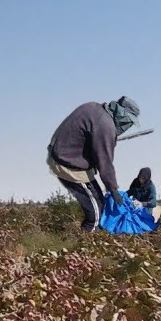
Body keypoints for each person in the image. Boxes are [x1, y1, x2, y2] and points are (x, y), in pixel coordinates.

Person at [46, 96, 142, 232]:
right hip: (69, 165)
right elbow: (105, 162)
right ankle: (86, 246)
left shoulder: (93, 107)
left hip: (60, 153)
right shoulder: (106, 126)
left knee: (97, 201)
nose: (127, 125)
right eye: (128, 121)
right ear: (122, 115)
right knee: (96, 213)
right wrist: (113, 190)